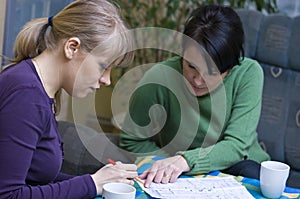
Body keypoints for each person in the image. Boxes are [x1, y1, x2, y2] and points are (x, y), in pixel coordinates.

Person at [119, 5, 270, 188]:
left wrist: (185, 161)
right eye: (191, 67)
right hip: (182, 174)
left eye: (211, 73)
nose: (197, 81)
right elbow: (131, 140)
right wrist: (167, 163)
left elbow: (236, 146)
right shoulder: (159, 78)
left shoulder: (248, 74)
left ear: (229, 69)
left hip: (239, 166)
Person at [0, 0, 138, 198]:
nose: (106, 80)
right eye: (103, 66)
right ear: (72, 47)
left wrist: (100, 180)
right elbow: (8, 195)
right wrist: (92, 183)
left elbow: (35, 179)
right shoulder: (26, 95)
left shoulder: (36, 86)